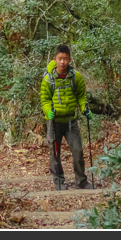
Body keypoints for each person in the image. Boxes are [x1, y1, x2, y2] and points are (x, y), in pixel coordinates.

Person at [40, 44, 93, 190]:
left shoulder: (76, 77)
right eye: (59, 59)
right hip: (54, 121)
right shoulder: (48, 79)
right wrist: (47, 112)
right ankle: (59, 182)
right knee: (55, 152)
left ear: (69, 59)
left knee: (77, 150)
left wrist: (84, 108)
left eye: (65, 59)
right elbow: (44, 100)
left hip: (71, 120)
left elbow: (81, 96)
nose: (62, 62)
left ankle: (81, 181)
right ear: (54, 59)